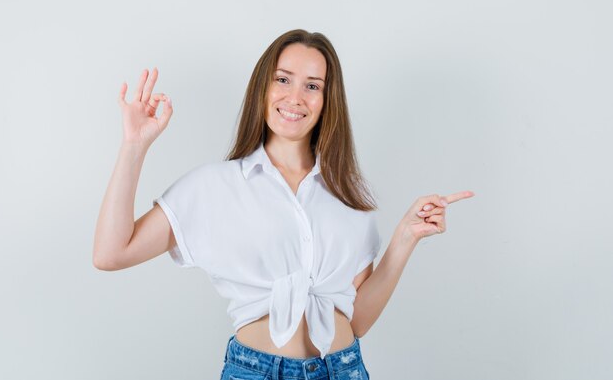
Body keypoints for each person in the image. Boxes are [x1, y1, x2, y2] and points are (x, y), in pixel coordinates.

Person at [93, 29, 475, 380]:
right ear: (263, 87)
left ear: (327, 101)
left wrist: (405, 238)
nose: (295, 97)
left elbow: (355, 321)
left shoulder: (349, 192)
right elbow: (111, 253)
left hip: (344, 369)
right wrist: (134, 147)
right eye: (283, 79)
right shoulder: (215, 186)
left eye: (312, 85)